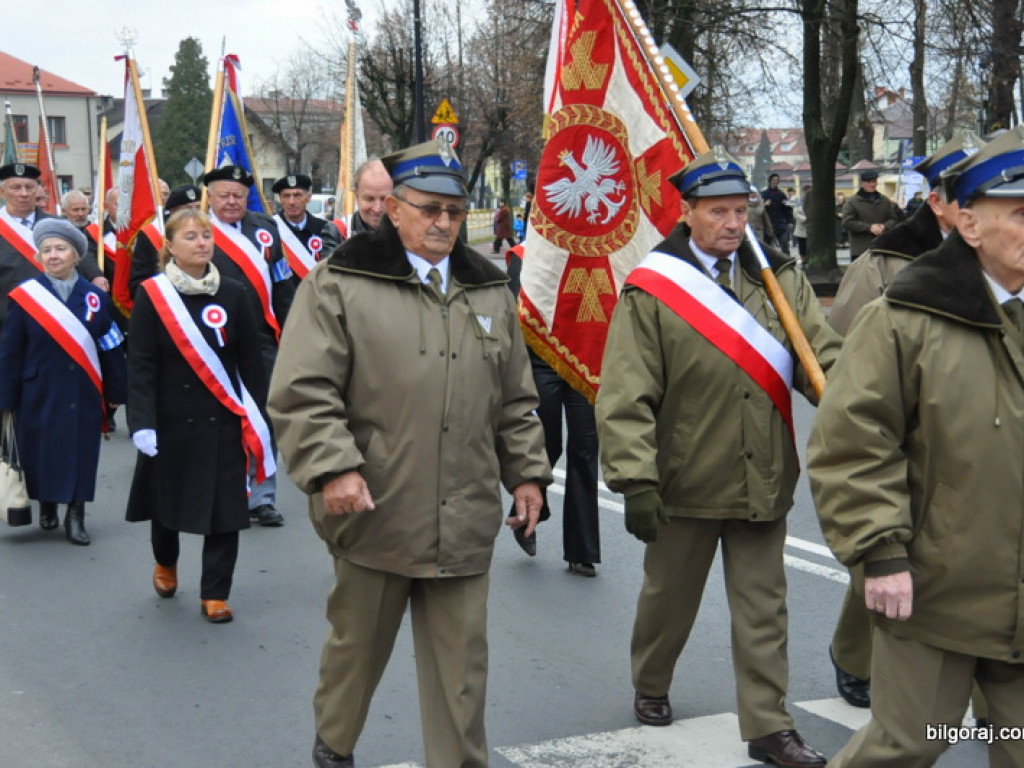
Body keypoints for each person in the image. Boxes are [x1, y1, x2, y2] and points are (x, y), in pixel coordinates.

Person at [266, 139, 551, 768]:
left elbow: (514, 399)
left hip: (466, 514)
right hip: (376, 510)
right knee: (356, 652)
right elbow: (303, 390)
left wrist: (527, 475)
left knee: (462, 673)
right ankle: (334, 745)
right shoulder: (340, 284)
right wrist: (332, 466)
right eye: (429, 209)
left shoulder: (489, 291)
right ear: (393, 210)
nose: (443, 223)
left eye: (453, 211)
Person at [596, 147, 840, 767]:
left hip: (764, 477)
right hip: (684, 478)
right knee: (667, 599)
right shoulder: (654, 289)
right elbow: (626, 393)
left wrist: (851, 400)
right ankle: (651, 681)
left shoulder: (778, 280)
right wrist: (635, 480)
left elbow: (824, 357)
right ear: (688, 213)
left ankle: (768, 725)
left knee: (764, 608)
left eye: (741, 211)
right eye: (719, 212)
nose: (733, 224)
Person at [807, 125, 1024, 768]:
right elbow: (852, 441)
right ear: (969, 224)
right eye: (1020, 213)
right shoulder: (907, 317)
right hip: (936, 595)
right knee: (906, 747)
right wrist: (880, 551)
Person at [824, 133, 984, 713]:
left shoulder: (1003, 258)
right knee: (889, 551)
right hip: (911, 440)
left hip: (980, 441)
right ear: (938, 203)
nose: (976, 210)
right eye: (965, 197)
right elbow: (842, 349)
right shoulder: (887, 261)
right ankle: (855, 654)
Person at [125, 209, 270, 624]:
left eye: (206, 235)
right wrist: (142, 423)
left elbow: (250, 361)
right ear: (170, 246)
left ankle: (215, 593)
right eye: (191, 237)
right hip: (170, 421)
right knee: (167, 507)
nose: (202, 242)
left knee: (226, 509)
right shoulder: (154, 295)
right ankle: (166, 563)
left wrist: (258, 416)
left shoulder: (235, 292)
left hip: (223, 418)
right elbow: (142, 363)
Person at [0, 219, 127, 545]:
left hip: (83, 389)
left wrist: (116, 389)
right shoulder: (26, 297)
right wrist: (6, 397)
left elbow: (110, 344)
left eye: (60, 249)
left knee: (81, 451)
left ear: (75, 255)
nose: (53, 255)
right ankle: (47, 504)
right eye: (47, 250)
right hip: (38, 389)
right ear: (39, 257)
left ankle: (75, 514)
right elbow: (11, 351)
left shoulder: (94, 298)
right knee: (40, 451)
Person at [204, 164, 294, 527]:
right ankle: (225, 492)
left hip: (262, 340)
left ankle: (262, 497)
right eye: (224, 195)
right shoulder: (196, 231)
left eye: (238, 196)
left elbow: (283, 285)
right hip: (213, 341)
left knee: (262, 418)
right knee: (220, 419)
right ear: (209, 196)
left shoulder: (266, 230)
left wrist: (292, 331)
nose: (231, 202)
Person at [0, 163, 55, 338]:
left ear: (37, 191)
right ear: (3, 193)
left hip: (52, 320)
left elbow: (79, 264)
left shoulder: (57, 226)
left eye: (29, 187)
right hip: (6, 322)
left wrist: (96, 275)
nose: (23, 193)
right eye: (16, 188)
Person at [128, 184, 203, 299]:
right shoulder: (152, 233)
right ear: (173, 211)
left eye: (198, 207)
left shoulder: (209, 233)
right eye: (188, 209)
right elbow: (139, 281)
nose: (194, 213)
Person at [271, 173, 342, 280]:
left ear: (308, 198)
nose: (291, 202)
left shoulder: (325, 229)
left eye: (297, 195)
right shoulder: (271, 228)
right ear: (280, 199)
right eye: (286, 196)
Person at [841, 169, 901, 259]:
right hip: (860, 250)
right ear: (862, 183)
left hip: (882, 248)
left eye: (874, 181)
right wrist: (869, 228)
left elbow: (893, 219)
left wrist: (884, 227)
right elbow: (847, 222)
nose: (872, 184)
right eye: (869, 182)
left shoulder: (884, 200)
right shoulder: (852, 202)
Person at [332, 158, 392, 238]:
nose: (377, 209)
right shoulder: (337, 232)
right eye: (369, 199)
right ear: (356, 196)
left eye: (384, 199)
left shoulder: (410, 233)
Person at [59, 189, 106, 287]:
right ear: (64, 211)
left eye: (83, 209)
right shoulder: (58, 233)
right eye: (75, 210)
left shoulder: (96, 231)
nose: (80, 214)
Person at [761, 173, 793, 254]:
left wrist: (790, 221)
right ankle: (770, 263)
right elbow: (758, 208)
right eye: (774, 180)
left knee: (785, 244)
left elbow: (787, 209)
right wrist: (764, 204)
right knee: (769, 246)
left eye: (777, 180)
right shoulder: (764, 194)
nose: (776, 181)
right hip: (768, 224)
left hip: (780, 224)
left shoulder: (781, 194)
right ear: (770, 181)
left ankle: (787, 261)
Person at [792, 186, 811, 264]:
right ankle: (803, 259)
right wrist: (805, 219)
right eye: (806, 192)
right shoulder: (798, 203)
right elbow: (795, 213)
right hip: (801, 228)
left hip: (811, 227)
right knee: (802, 245)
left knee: (809, 245)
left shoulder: (813, 202)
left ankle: (809, 258)